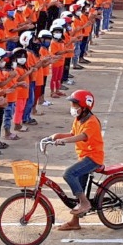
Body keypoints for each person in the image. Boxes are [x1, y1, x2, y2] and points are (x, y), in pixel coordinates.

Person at [45, 89, 105, 231]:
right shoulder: (79, 119)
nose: (72, 108)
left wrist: (64, 141)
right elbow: (73, 133)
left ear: (84, 107)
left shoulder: (92, 122)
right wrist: (56, 136)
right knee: (80, 188)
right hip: (84, 157)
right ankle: (75, 222)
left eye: (74, 105)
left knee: (69, 174)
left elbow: (82, 136)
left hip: (93, 158)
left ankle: (85, 203)